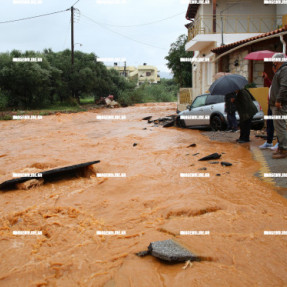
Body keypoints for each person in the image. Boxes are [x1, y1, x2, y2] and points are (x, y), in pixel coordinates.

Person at [269, 53, 287, 159]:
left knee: (280, 128)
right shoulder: (281, 70)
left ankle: (284, 150)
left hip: (280, 104)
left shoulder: (284, 70)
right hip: (276, 104)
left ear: (278, 61)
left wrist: (279, 100)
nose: (273, 63)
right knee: (279, 128)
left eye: (274, 61)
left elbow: (284, 86)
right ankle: (281, 148)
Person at [259, 69, 279, 150]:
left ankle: (279, 143)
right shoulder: (276, 78)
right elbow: (271, 86)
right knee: (270, 124)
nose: (273, 69)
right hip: (271, 104)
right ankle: (269, 142)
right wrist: (266, 79)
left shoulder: (282, 77)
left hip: (277, 105)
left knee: (278, 125)